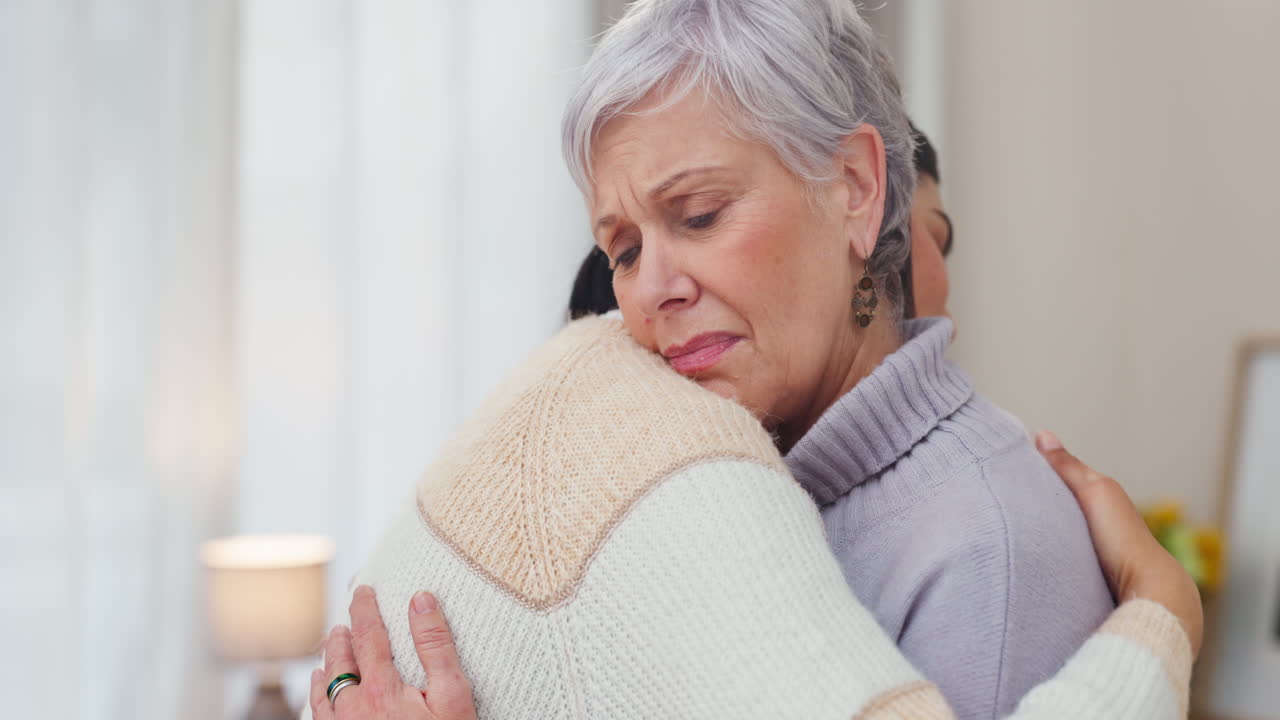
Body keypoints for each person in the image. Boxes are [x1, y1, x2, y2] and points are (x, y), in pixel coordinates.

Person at [549, 0, 1113, 715]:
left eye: (699, 214)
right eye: (624, 252)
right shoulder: (707, 485)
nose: (654, 289)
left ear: (854, 186)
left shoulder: (988, 554)